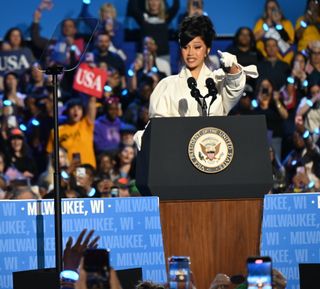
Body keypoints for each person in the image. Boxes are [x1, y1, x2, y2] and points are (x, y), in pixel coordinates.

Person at [134, 15, 258, 148]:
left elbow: (235, 89)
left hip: (213, 155)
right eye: (185, 47)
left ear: (207, 50)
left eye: (197, 47)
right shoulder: (166, 85)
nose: (190, 53)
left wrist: (232, 68)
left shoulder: (218, 82)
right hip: (176, 154)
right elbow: (159, 128)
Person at [253, 0, 295, 64]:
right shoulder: (261, 22)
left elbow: (289, 42)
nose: (272, 10)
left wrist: (278, 24)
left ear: (278, 9)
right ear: (266, 11)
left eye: (274, 8)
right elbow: (253, 39)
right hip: (264, 59)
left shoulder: (287, 23)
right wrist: (267, 26)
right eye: (269, 8)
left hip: (284, 60)